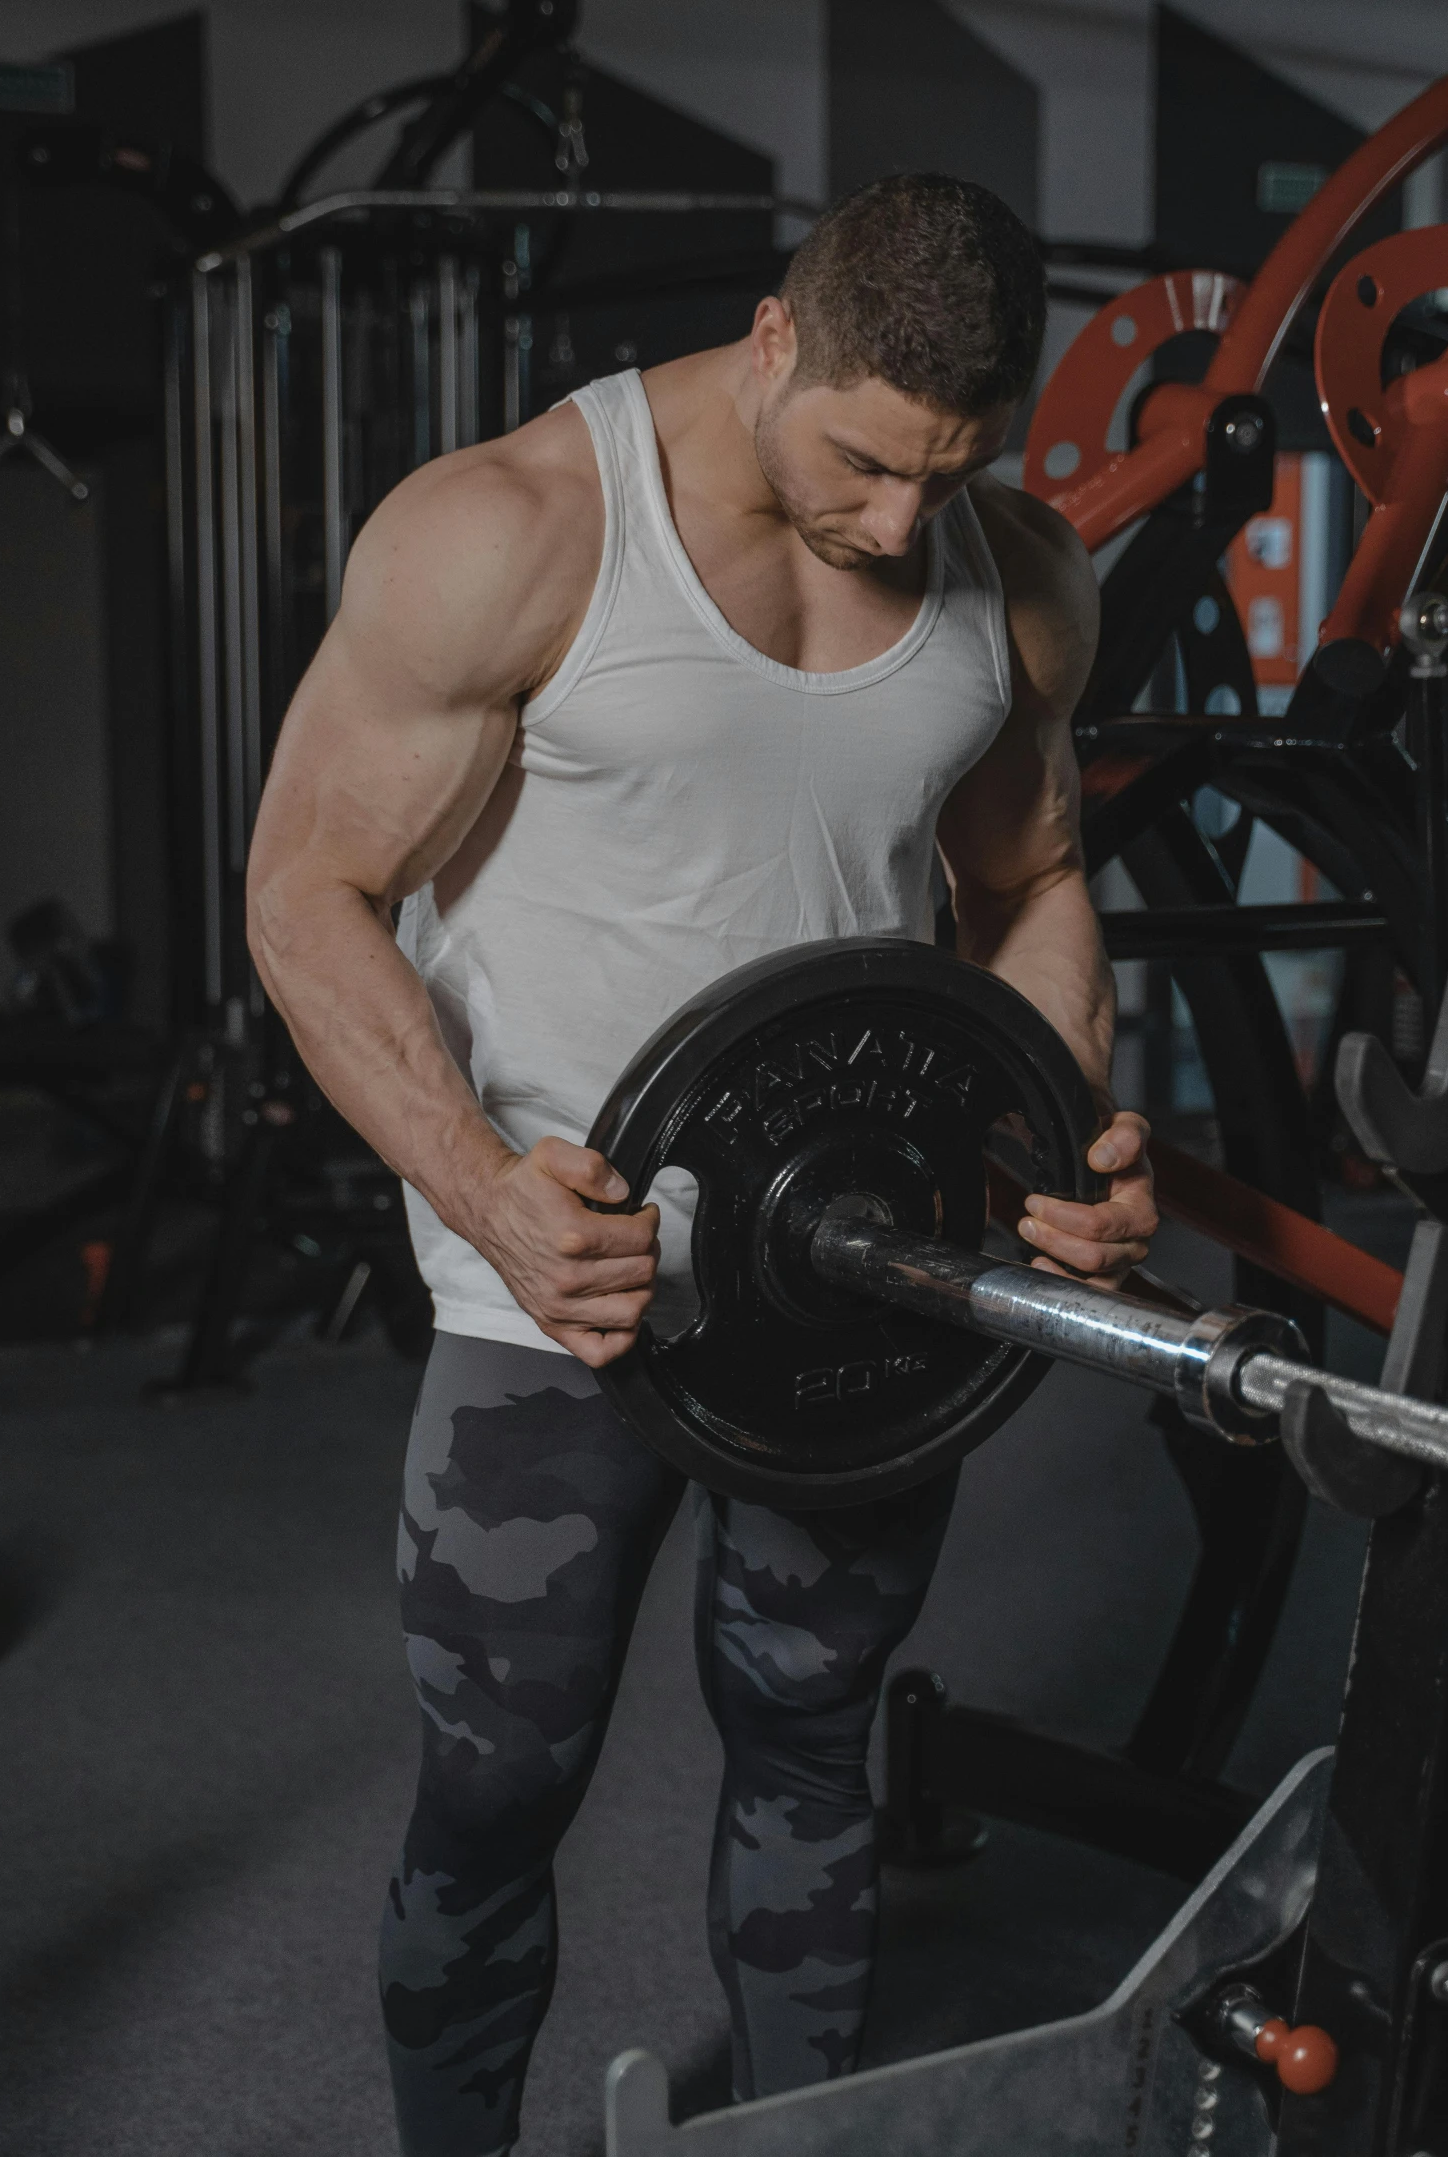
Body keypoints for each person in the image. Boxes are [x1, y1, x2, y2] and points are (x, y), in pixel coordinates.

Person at [246, 172, 1158, 2154]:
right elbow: (306, 894)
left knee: (811, 1737)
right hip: (552, 1295)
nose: (902, 522)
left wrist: (1065, 1134)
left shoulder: (1011, 573)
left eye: (955, 470)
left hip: (852, 1279)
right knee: (501, 1773)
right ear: (773, 340)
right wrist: (486, 1184)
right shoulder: (517, 534)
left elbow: (1031, 884)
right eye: (863, 460)